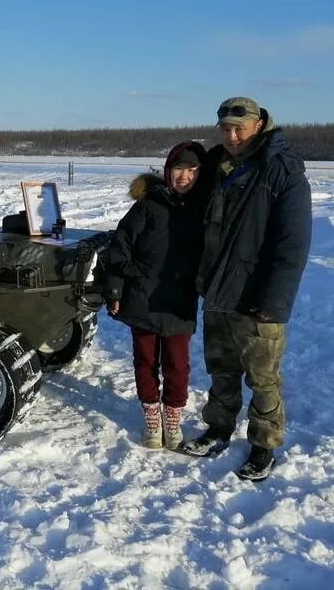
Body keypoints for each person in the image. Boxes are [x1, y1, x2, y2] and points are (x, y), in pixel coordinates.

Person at [181, 97, 312, 482]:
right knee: (221, 368)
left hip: (257, 296)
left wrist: (275, 301)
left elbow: (292, 244)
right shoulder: (214, 165)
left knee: (262, 376)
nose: (232, 135)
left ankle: (263, 445)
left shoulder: (281, 170)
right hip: (218, 288)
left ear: (258, 124)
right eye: (225, 128)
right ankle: (219, 427)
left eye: (239, 128)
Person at [104, 141, 206, 450]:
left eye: (191, 171)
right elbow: (119, 248)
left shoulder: (204, 209)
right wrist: (117, 287)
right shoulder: (148, 206)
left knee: (177, 365)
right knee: (145, 362)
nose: (184, 177)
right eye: (178, 169)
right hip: (142, 299)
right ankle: (151, 416)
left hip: (178, 303)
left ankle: (172, 419)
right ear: (167, 171)